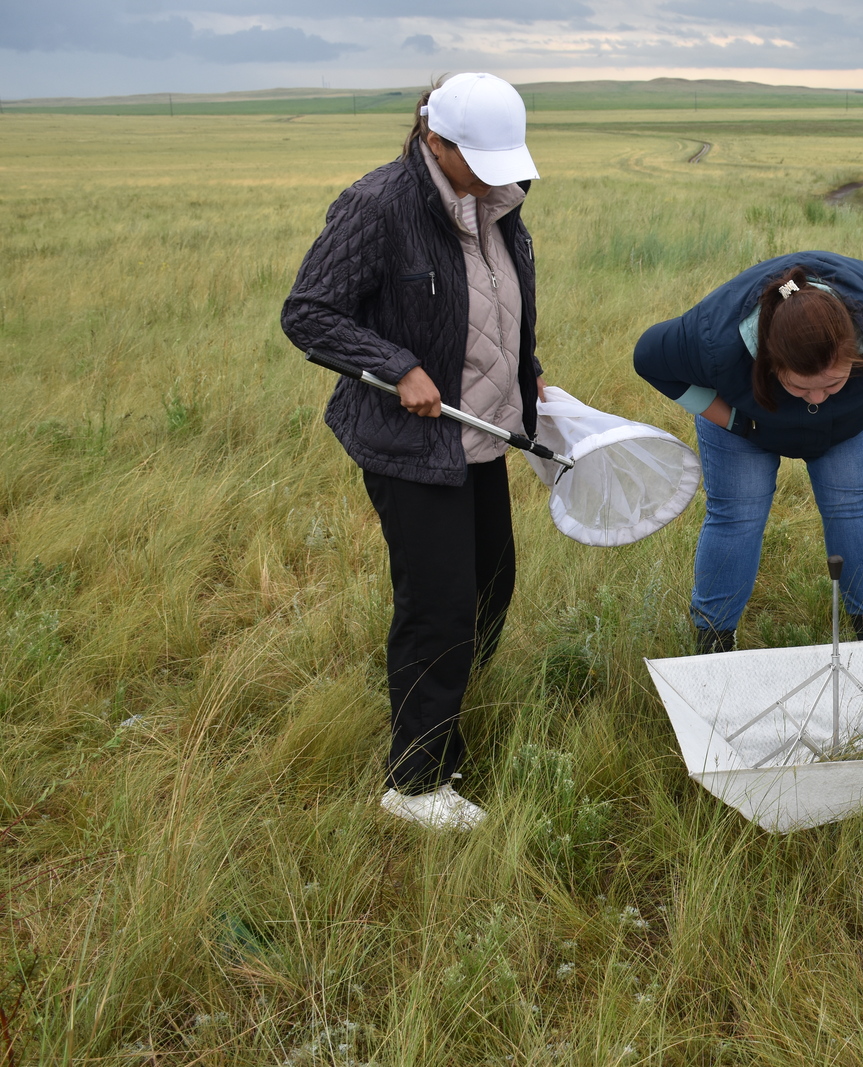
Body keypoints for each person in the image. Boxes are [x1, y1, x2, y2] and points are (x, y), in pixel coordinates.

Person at [281, 73, 545, 832]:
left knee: (491, 585)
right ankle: (415, 781)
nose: (498, 175)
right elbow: (309, 314)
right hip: (410, 442)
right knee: (439, 605)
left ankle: (443, 708)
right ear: (436, 142)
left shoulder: (502, 200)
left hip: (480, 431)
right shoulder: (378, 206)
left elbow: (496, 304)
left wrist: (527, 371)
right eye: (481, 161)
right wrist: (397, 367)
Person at [634, 252, 863, 652]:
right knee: (738, 515)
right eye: (800, 387)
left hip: (850, 420)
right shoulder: (713, 339)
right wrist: (732, 420)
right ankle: (713, 641)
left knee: (853, 507)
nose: (816, 397)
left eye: (832, 383)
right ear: (770, 361)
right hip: (747, 417)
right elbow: (648, 358)